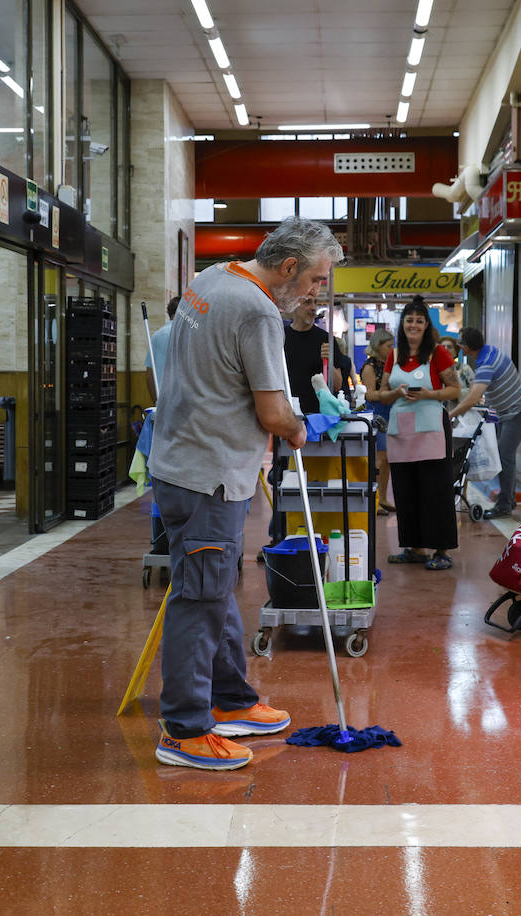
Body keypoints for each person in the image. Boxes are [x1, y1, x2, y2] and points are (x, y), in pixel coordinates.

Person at [148, 215, 340, 770]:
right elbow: (273, 410)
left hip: (179, 462)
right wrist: (299, 428)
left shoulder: (209, 280)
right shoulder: (258, 311)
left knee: (216, 585)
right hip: (209, 475)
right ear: (288, 268)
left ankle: (230, 699)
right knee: (200, 597)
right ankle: (183, 729)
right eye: (314, 280)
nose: (314, 291)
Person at [379, 296, 461, 570]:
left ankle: (441, 551)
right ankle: (414, 548)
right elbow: (383, 393)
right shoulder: (393, 354)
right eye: (409, 320)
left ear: (427, 325)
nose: (413, 325)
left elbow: (455, 390)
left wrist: (430, 394)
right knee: (406, 490)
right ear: (402, 323)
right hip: (401, 431)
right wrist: (395, 392)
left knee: (435, 491)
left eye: (419, 321)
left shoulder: (438, 353)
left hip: (432, 429)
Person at [265, 295, 351, 548]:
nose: (313, 308)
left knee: (315, 483)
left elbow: (337, 386)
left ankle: (318, 535)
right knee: (283, 480)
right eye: (307, 302)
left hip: (318, 423)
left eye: (315, 303)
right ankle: (279, 537)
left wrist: (331, 359)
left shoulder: (326, 341)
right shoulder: (280, 338)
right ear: (293, 306)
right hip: (286, 418)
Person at [449, 327, 521, 520]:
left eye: (460, 343)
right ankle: (509, 499)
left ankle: (504, 505)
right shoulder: (490, 351)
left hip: (516, 411)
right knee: (503, 455)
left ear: (467, 347)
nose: (459, 346)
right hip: (507, 411)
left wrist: (451, 414)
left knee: (505, 456)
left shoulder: (486, 364)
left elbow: (472, 398)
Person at [359, 328, 395, 515]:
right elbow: (369, 393)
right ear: (378, 346)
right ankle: (375, 499)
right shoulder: (370, 367)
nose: (392, 349)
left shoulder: (390, 364)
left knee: (387, 458)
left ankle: (383, 497)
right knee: (379, 458)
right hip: (378, 412)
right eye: (389, 346)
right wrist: (388, 394)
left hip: (390, 411)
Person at [144, 295, 181, 401]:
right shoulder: (190, 334)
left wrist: (157, 402)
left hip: (163, 404)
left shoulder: (157, 336)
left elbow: (149, 374)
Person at [439, 337, 474, 410]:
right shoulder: (430, 370)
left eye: (449, 347)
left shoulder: (465, 369)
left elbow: (475, 391)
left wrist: (455, 394)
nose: (445, 349)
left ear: (455, 352)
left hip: (461, 414)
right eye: (442, 347)